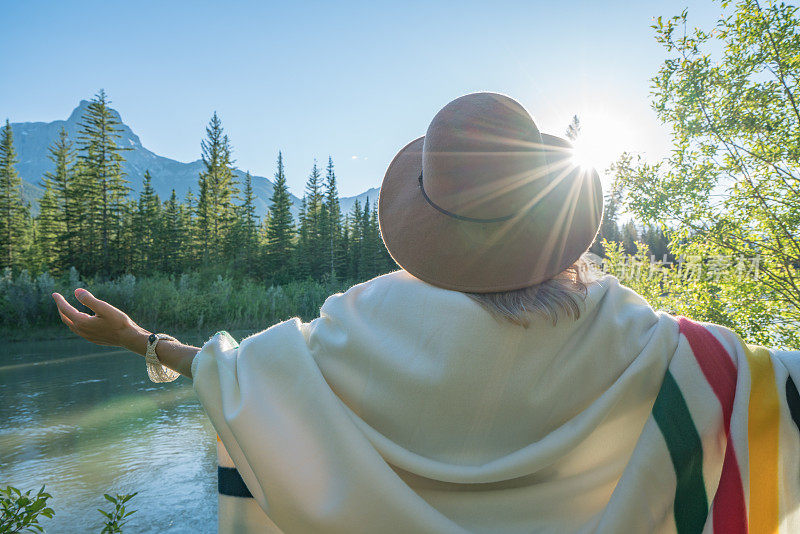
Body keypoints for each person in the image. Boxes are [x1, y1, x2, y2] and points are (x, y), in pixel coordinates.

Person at [53, 92, 800, 533]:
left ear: (428, 223)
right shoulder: (641, 340)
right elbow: (760, 391)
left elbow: (245, 374)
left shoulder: (360, 327)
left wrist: (143, 341)